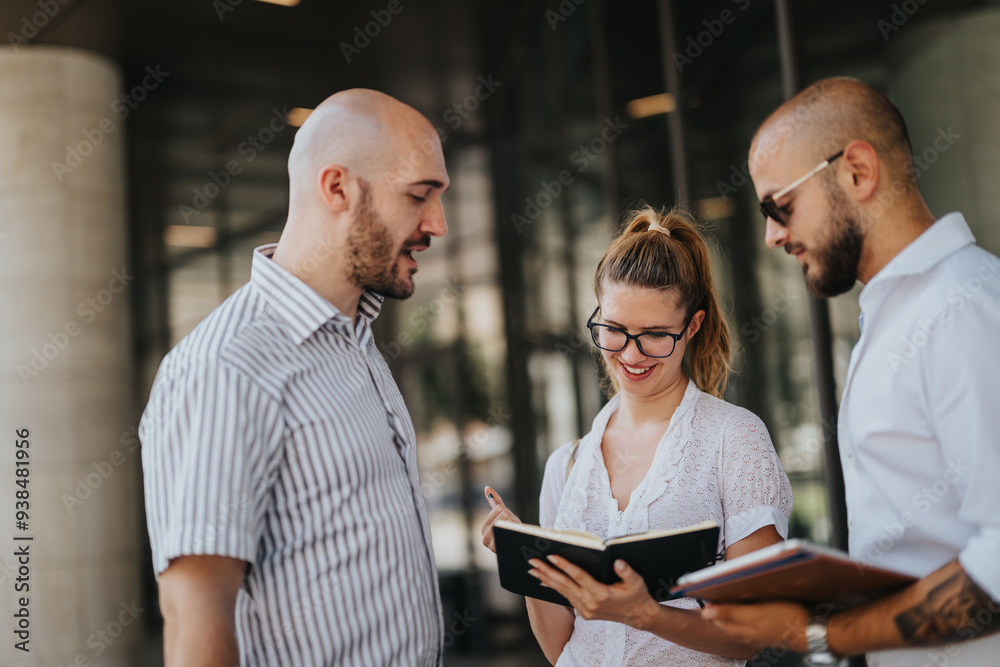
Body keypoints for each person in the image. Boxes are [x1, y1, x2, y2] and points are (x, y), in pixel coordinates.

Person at [139, 89, 450, 666]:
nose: (438, 223)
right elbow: (193, 621)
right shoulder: (227, 366)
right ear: (337, 188)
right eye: (419, 195)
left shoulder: (355, 339)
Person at [701, 77, 1000, 666]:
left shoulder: (963, 312)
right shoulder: (900, 315)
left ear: (858, 172)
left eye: (778, 206)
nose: (771, 236)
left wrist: (820, 633)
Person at [481, 206, 794, 666]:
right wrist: (523, 559)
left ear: (693, 325)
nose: (631, 354)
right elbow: (560, 647)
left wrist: (646, 614)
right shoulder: (566, 465)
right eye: (614, 330)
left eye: (654, 334)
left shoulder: (734, 439)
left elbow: (754, 632)